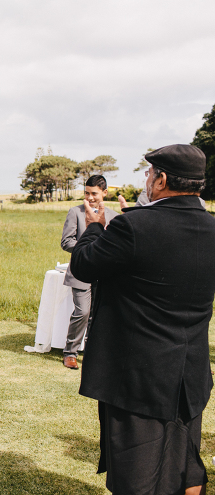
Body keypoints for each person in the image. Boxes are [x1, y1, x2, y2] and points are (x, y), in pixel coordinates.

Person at [71, 144, 215, 495]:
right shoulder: (212, 228)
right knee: (185, 466)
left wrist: (94, 228)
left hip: (137, 376)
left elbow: (84, 265)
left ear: (162, 179)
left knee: (136, 473)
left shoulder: (133, 226)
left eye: (150, 174)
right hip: (189, 374)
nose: (147, 179)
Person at [59, 174, 118, 369]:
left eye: (94, 193)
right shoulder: (74, 212)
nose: (90, 197)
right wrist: (88, 251)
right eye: (86, 193)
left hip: (104, 274)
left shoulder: (114, 216)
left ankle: (93, 352)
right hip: (81, 270)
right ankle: (70, 352)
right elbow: (66, 242)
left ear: (104, 193)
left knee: (97, 315)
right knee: (82, 312)